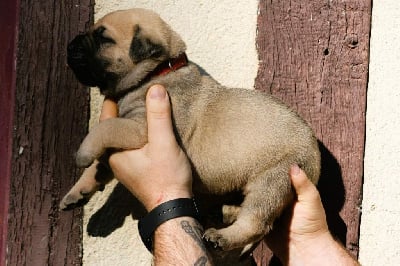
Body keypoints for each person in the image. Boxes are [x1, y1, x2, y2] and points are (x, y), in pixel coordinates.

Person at [101, 84, 359, 266]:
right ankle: (243, 220)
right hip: (268, 182)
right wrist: (306, 242)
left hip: (279, 160)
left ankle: (245, 226)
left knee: (268, 190)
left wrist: (166, 200)